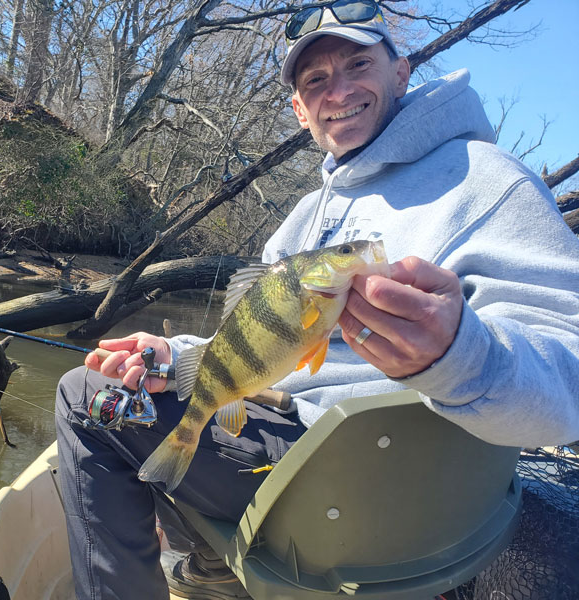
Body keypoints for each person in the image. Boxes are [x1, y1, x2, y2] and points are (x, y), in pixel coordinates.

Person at [55, 1, 579, 598]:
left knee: (83, 400)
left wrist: (460, 354)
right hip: (309, 450)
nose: (340, 90)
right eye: (316, 81)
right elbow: (265, 344)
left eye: (359, 64)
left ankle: (202, 572)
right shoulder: (309, 215)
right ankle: (218, 568)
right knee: (132, 390)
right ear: (300, 110)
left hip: (366, 487)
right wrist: (174, 355)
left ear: (401, 71)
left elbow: (570, 375)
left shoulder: (489, 181)